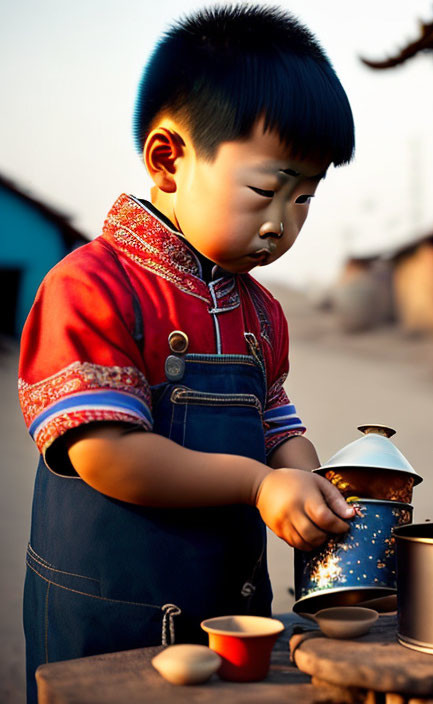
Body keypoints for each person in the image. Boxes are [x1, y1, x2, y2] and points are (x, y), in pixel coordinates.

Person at [18, 6, 356, 700]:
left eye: (304, 199)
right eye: (267, 189)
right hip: (111, 625)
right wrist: (259, 485)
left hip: (233, 616)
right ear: (169, 161)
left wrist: (310, 487)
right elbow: (104, 452)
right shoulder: (90, 285)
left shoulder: (260, 310)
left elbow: (278, 426)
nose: (280, 223)